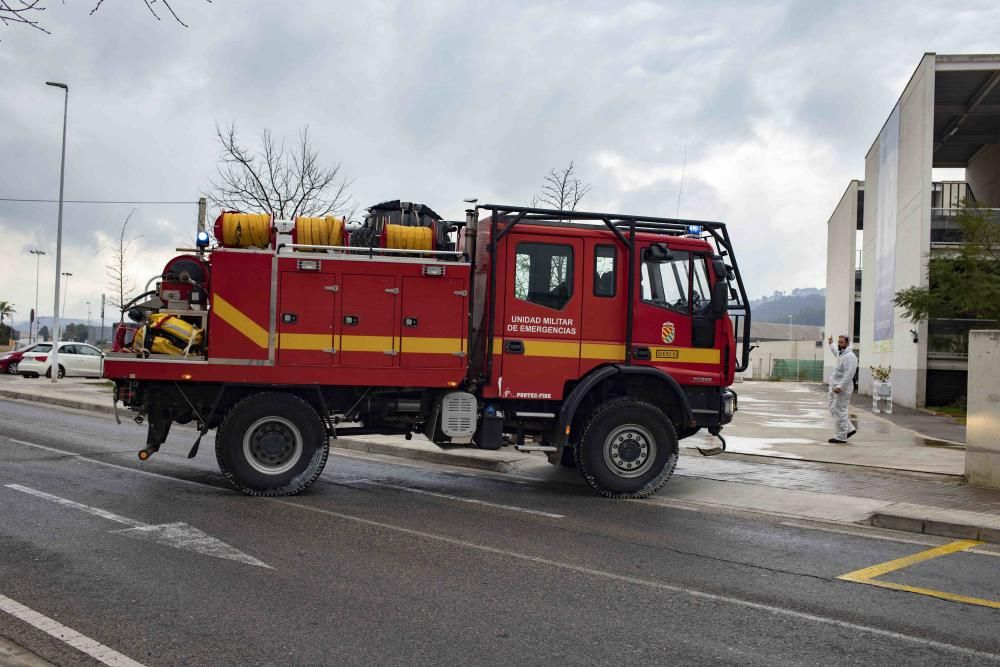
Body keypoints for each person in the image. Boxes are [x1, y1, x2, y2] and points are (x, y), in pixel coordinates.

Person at [827, 334, 858, 443]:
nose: (840, 345)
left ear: (847, 343)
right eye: (839, 342)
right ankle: (849, 429)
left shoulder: (850, 357)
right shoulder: (842, 353)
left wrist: (840, 387)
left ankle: (841, 436)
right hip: (835, 387)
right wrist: (831, 344)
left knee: (840, 410)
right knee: (833, 408)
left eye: (841, 343)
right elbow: (836, 351)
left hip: (842, 389)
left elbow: (849, 374)